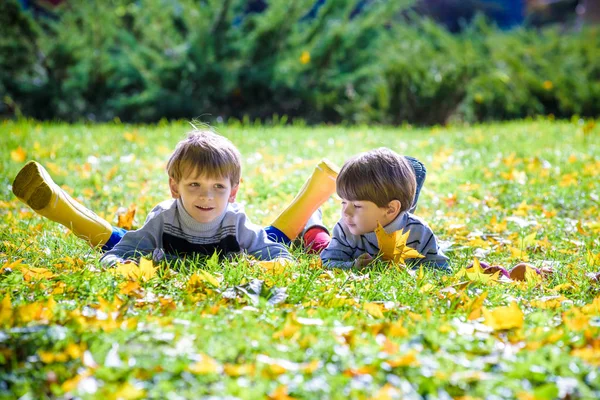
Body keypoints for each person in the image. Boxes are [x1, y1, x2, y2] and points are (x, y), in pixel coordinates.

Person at [13, 130, 294, 266]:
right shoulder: (163, 219)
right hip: (156, 233)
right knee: (119, 238)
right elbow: (117, 254)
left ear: (233, 192)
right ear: (175, 187)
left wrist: (278, 265)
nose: (207, 196)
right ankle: (56, 202)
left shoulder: (236, 221)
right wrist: (118, 266)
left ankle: (314, 211)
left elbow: (275, 252)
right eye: (194, 184)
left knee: (273, 233)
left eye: (219, 187)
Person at [313, 148, 449, 270]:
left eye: (357, 206)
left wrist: (407, 272)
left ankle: (410, 184)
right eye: (343, 202)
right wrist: (353, 266)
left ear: (390, 209)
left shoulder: (418, 232)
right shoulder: (345, 229)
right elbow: (327, 261)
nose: (346, 213)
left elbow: (441, 269)